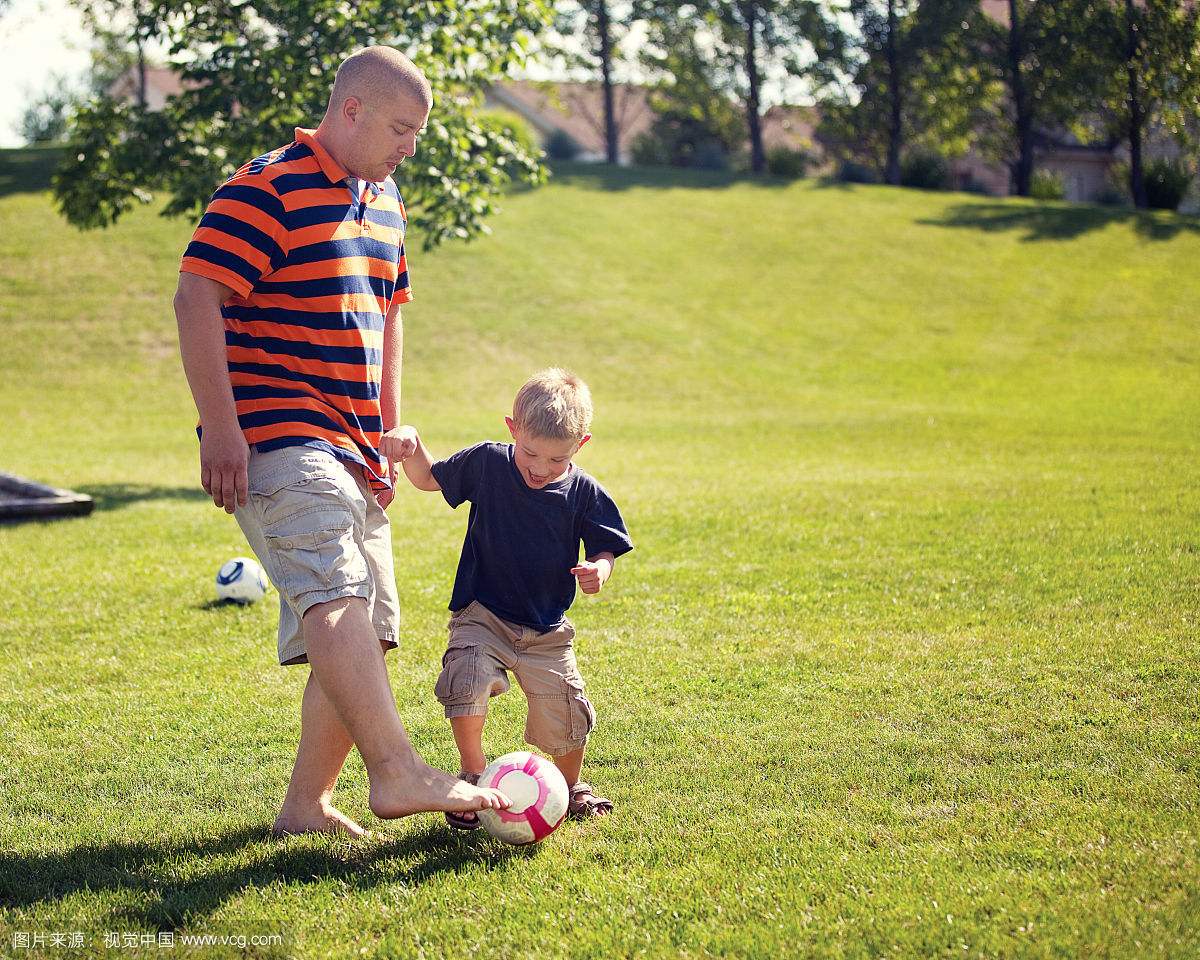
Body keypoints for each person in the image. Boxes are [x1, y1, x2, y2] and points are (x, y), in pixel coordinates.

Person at [172, 46, 509, 837]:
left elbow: (389, 315)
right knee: (338, 591)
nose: (410, 148)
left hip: (355, 442)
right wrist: (222, 428)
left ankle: (305, 807)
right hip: (278, 432)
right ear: (350, 109)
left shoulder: (385, 200)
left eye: (419, 133)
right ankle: (395, 772)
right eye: (401, 128)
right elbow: (196, 298)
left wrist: (389, 427)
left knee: (373, 623)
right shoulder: (267, 187)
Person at [392, 368, 633, 828]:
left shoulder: (583, 491)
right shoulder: (487, 464)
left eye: (557, 460)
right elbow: (427, 479)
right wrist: (412, 442)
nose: (540, 468)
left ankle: (570, 786)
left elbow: (606, 544)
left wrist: (599, 568)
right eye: (530, 453)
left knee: (567, 711)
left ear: (581, 446)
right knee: (466, 676)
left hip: (546, 628)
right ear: (512, 429)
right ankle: (471, 776)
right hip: (482, 613)